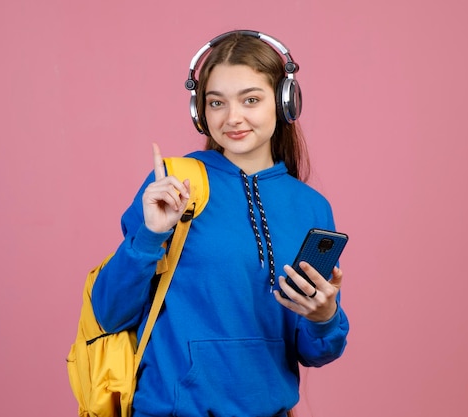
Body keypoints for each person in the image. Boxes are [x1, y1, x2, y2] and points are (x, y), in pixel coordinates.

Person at [91, 30, 349, 417]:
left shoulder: (311, 208)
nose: (233, 118)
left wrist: (324, 317)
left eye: (251, 99)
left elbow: (316, 353)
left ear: (284, 103)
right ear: (200, 111)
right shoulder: (174, 185)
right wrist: (149, 235)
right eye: (216, 102)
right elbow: (109, 313)